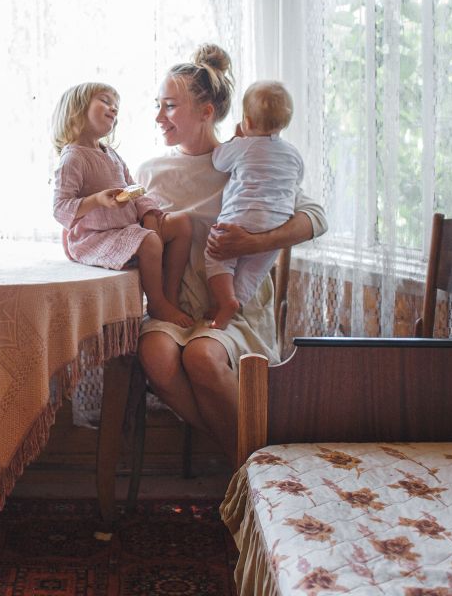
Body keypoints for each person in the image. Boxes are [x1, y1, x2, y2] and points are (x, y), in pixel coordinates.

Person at [136, 45, 326, 458]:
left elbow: (316, 218)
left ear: (206, 112)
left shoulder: (248, 161)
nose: (159, 117)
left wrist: (253, 243)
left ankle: (252, 464)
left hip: (235, 309)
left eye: (170, 106)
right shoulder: (150, 172)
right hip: (175, 308)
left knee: (202, 357)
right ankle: (249, 457)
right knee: (156, 354)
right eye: (158, 105)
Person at [51, 82, 195, 328]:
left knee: (181, 223)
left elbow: (134, 188)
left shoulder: (111, 154)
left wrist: (149, 214)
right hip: (95, 236)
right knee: (150, 241)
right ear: (77, 110)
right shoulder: (73, 157)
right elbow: (60, 207)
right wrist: (97, 200)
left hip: (128, 226)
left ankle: (170, 296)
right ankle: (157, 302)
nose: (114, 109)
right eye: (105, 101)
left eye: (116, 105)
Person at [202, 80, 303, 330]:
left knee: (217, 255)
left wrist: (236, 138)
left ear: (246, 121)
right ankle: (234, 304)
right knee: (254, 270)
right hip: (277, 223)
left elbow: (218, 161)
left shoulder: (243, 146)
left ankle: (226, 300)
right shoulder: (293, 153)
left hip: (242, 216)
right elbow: (297, 179)